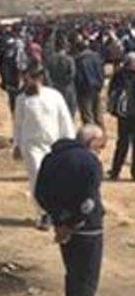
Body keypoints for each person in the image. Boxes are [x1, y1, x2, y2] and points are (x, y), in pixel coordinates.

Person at [35, 124, 106, 296]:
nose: (101, 150)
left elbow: (41, 194)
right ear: (91, 142)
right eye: (100, 146)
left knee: (73, 273)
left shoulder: (51, 159)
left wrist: (60, 221)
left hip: (62, 227)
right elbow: (88, 202)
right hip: (88, 228)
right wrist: (74, 223)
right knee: (87, 280)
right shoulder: (90, 162)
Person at [12, 66, 75, 227]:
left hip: (54, 145)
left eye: (28, 79)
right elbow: (18, 124)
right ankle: (43, 214)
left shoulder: (54, 96)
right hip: (32, 146)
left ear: (38, 78)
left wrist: (70, 143)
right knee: (37, 178)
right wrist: (16, 144)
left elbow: (65, 120)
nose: (25, 83)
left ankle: (58, 211)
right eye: (24, 79)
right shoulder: (21, 100)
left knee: (56, 178)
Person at [107, 53, 135, 180]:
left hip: (123, 114)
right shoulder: (119, 75)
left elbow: (111, 92)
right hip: (126, 114)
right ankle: (117, 171)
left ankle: (115, 171)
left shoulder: (119, 74)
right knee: (123, 143)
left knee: (122, 143)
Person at [74, 41, 105, 126]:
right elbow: (101, 72)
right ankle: (101, 132)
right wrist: (100, 84)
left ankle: (91, 132)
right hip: (96, 87)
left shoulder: (78, 60)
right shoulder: (96, 57)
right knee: (98, 114)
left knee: (87, 115)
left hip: (84, 89)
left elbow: (78, 77)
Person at [46, 43, 78, 118]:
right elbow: (72, 74)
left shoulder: (50, 59)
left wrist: (51, 83)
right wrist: (66, 82)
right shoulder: (69, 59)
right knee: (69, 109)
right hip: (67, 87)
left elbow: (47, 74)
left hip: (54, 87)